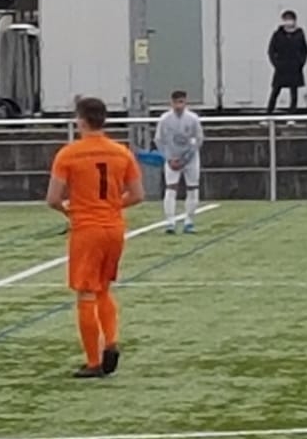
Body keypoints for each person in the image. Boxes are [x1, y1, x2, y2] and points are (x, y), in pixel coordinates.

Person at [47, 97, 144, 380]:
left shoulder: (69, 154)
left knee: (85, 292)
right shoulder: (121, 152)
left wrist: (69, 210)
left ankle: (93, 361)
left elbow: (53, 198)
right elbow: (138, 194)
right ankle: (111, 340)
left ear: (81, 120)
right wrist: (112, 205)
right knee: (103, 288)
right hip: (114, 228)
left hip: (87, 229)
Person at [154, 90, 204, 235]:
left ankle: (189, 221)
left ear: (185, 102)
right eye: (176, 102)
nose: (178, 106)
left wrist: (186, 158)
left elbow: (198, 139)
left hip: (190, 159)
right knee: (171, 188)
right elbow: (159, 140)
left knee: (192, 188)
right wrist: (169, 158)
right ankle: (170, 222)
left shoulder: (193, 119)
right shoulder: (165, 119)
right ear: (171, 103)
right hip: (172, 158)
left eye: (181, 102)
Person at [267, 11, 307, 115]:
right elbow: (271, 50)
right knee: (275, 91)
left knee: (294, 92)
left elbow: (304, 50)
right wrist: (276, 64)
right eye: (286, 19)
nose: (288, 22)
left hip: (294, 67)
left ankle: (291, 115)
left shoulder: (299, 34)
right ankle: (268, 114)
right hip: (281, 67)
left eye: (290, 19)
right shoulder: (278, 34)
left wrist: (300, 63)